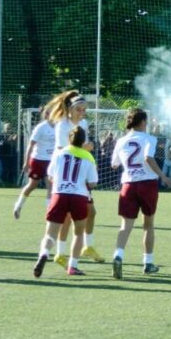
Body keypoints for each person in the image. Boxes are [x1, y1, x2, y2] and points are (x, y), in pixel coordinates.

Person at [110, 108, 171, 279]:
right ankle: (148, 263)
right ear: (143, 122)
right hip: (147, 184)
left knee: (125, 225)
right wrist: (163, 176)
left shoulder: (121, 140)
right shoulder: (149, 138)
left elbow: (114, 164)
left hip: (128, 184)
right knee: (148, 224)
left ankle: (118, 256)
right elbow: (148, 157)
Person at [45, 90, 104, 265]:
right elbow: (65, 150)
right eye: (79, 109)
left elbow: (81, 147)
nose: (82, 113)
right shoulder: (62, 125)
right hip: (66, 175)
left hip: (80, 175)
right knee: (68, 217)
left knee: (90, 212)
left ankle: (87, 246)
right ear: (69, 110)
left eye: (84, 110)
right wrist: (86, 148)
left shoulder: (83, 124)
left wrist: (87, 149)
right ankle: (61, 253)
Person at [32, 126, 98, 278]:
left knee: (50, 233)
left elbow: (50, 175)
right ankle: (72, 266)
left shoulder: (59, 153)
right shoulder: (88, 156)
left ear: (69, 139)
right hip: (78, 196)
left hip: (59, 195)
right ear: (83, 141)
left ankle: (44, 254)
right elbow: (93, 182)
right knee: (78, 233)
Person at [13, 109, 55, 219]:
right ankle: (18, 205)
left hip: (51, 161)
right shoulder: (40, 128)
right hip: (38, 160)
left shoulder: (59, 126)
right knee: (32, 185)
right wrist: (26, 162)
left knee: (51, 186)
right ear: (46, 114)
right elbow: (31, 145)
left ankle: (49, 214)